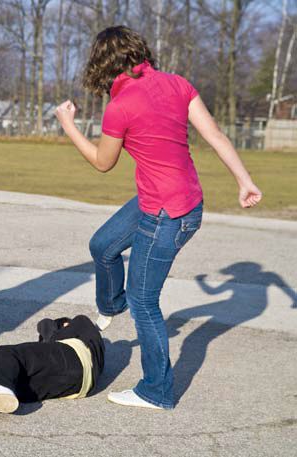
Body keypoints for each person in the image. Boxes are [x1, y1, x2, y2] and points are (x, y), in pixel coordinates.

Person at [54, 26, 262, 410]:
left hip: (168, 214)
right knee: (102, 245)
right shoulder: (177, 83)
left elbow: (103, 163)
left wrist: (68, 125)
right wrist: (244, 181)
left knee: (145, 301)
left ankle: (156, 390)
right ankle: (111, 307)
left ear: (102, 63)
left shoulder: (120, 106)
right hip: (176, 201)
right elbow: (215, 134)